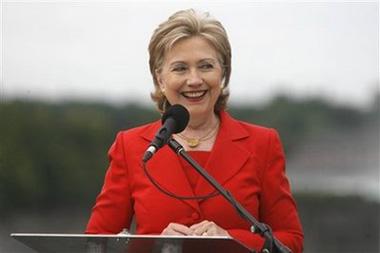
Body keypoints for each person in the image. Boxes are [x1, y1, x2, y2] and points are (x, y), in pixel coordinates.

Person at [86, 9, 304, 253]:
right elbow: (96, 243)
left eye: (206, 66)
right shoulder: (130, 146)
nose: (194, 80)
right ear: (160, 78)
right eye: (180, 68)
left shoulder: (263, 143)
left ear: (223, 73)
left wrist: (231, 240)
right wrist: (156, 244)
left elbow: (291, 242)